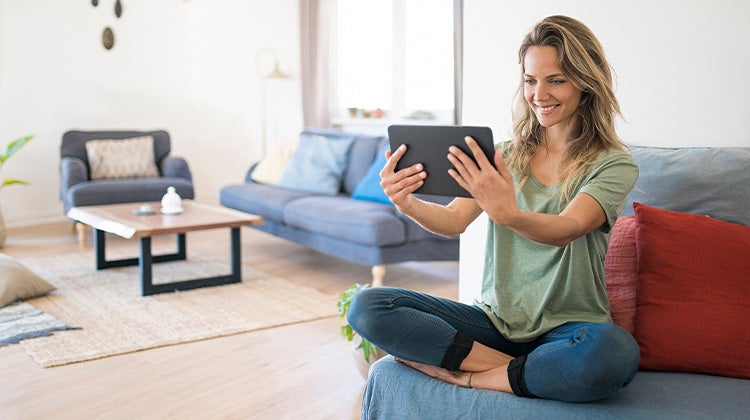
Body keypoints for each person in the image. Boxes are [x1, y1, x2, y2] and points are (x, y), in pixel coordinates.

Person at [347, 15, 640, 403]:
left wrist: (509, 214)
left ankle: (475, 377)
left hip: (571, 329)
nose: (539, 94)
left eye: (556, 80)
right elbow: (453, 221)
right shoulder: (505, 155)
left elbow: (568, 227)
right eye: (530, 80)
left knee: (615, 353)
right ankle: (513, 368)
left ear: (585, 82)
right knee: (368, 306)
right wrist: (407, 203)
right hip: (494, 324)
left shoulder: (612, 164)